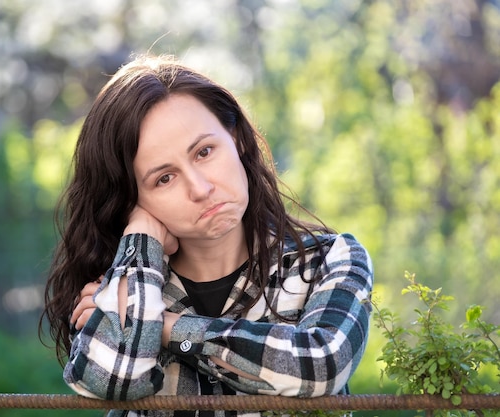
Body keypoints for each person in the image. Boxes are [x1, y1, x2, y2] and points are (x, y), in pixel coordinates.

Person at [41, 54, 373, 417]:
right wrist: (141, 237)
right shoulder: (128, 285)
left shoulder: (327, 261)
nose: (199, 188)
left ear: (236, 139)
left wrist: (163, 327)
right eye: (163, 178)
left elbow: (322, 365)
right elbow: (112, 379)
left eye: (204, 152)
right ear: (133, 199)